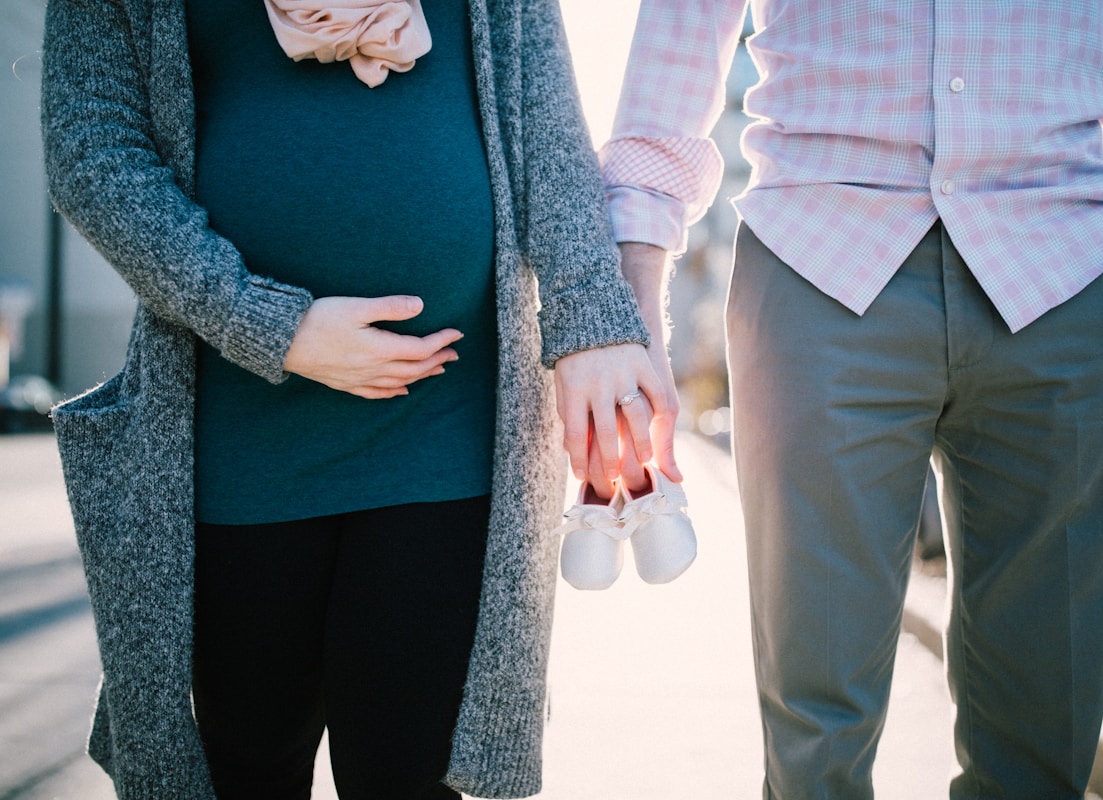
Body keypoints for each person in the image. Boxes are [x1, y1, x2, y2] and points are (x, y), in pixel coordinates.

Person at [39, 0, 674, 797]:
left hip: (446, 429)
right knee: (243, 768)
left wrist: (593, 325)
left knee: (412, 775)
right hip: (232, 439)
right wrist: (272, 325)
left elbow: (546, 128)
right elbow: (93, 148)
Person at [601, 1, 1103, 797]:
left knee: (1041, 745)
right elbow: (682, 28)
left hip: (1070, 269)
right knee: (815, 744)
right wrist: (635, 290)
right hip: (820, 261)